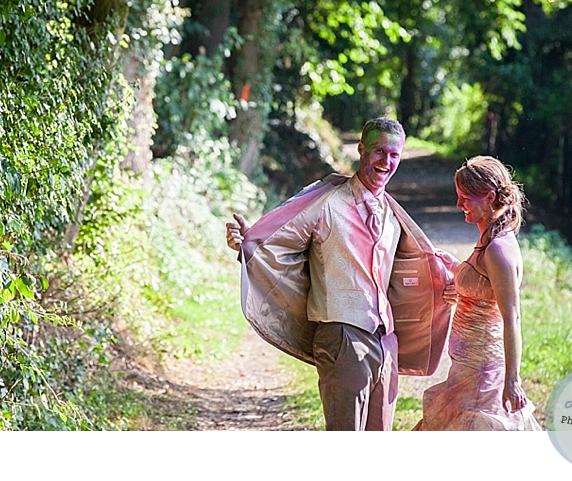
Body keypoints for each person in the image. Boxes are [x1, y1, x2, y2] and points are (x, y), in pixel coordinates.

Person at [225, 117, 455, 431]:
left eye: (394, 155)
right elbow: (273, 243)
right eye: (378, 152)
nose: (385, 162)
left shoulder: (392, 213)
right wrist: (245, 243)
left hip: (386, 343)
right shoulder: (326, 204)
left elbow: (408, 273)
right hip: (342, 338)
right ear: (361, 150)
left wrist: (447, 285)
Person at [413, 155, 540, 430]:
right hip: (467, 368)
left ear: (490, 196)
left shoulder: (498, 249)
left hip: (482, 374)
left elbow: (512, 318)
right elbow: (485, 288)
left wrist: (512, 381)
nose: (459, 205)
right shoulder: (489, 238)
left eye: (465, 197)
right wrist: (458, 279)